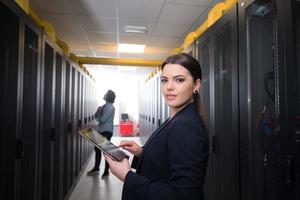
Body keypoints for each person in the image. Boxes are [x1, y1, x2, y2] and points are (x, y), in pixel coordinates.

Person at [104, 53, 209, 200]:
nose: (169, 87)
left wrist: (127, 176)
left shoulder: (186, 125)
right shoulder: (177, 118)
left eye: (179, 80)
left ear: (196, 85)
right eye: (164, 80)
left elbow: (183, 196)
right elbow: (167, 163)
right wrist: (141, 153)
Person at [87, 89, 116, 178]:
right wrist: (98, 113)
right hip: (102, 130)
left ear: (108, 97)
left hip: (107, 131)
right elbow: (100, 118)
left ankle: (106, 170)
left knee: (105, 151)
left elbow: (103, 120)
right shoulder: (105, 106)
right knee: (97, 148)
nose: (104, 95)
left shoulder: (110, 107)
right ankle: (97, 168)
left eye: (106, 94)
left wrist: (98, 115)